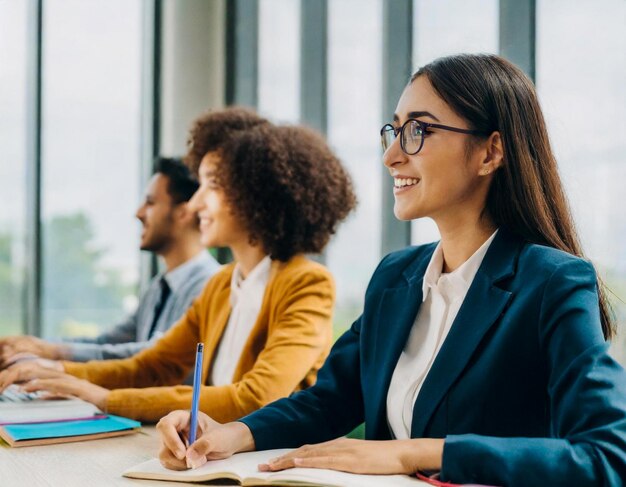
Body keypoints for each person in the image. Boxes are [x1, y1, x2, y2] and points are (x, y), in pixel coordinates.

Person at [154, 54, 626, 486]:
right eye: (394, 131)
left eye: (418, 131)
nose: (392, 155)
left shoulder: (552, 283)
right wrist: (230, 434)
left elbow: (607, 455)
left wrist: (410, 454)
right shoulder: (395, 277)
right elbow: (330, 400)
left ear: (490, 152)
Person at [0, 107, 357, 424]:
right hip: (208, 455)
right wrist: (57, 372)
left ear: (258, 194)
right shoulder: (221, 285)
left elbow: (257, 398)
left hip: (267, 465)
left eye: (211, 185)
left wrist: (104, 399)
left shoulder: (307, 283)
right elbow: (153, 365)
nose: (197, 201)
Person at [0, 157, 219, 365]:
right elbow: (108, 343)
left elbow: (156, 358)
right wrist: (33, 346)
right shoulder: (159, 288)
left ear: (183, 213)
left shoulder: (209, 286)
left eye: (150, 202)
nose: (138, 213)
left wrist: (55, 353)